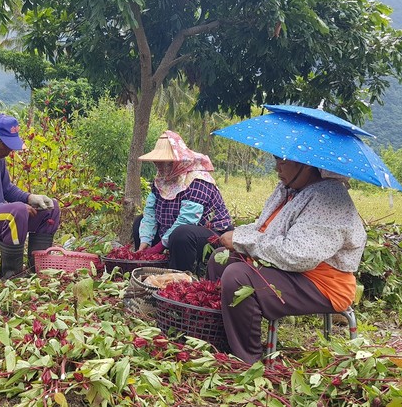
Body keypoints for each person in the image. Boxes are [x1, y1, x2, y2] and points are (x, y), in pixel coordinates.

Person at [211, 157, 367, 363]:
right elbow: (264, 227)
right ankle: (219, 334)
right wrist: (237, 236)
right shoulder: (290, 189)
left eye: (282, 162)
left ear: (307, 164)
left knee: (238, 277)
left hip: (321, 283)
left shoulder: (328, 197)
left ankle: (247, 359)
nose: (277, 168)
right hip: (289, 270)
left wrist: (241, 240)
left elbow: (298, 255)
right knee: (221, 259)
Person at [0, 114, 60, 278]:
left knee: (51, 207)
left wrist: (31, 198)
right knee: (17, 211)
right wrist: (17, 208)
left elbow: (7, 189)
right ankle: (13, 274)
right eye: (6, 145)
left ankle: (37, 268)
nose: (10, 151)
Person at [133, 131, 233, 272]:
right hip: (171, 231)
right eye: (157, 162)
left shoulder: (197, 180)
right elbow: (150, 213)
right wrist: (145, 241)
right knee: (140, 221)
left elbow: (187, 220)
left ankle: (181, 275)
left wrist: (158, 247)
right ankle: (148, 266)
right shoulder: (161, 179)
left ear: (177, 161)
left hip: (209, 235)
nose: (158, 166)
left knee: (181, 234)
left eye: (163, 162)